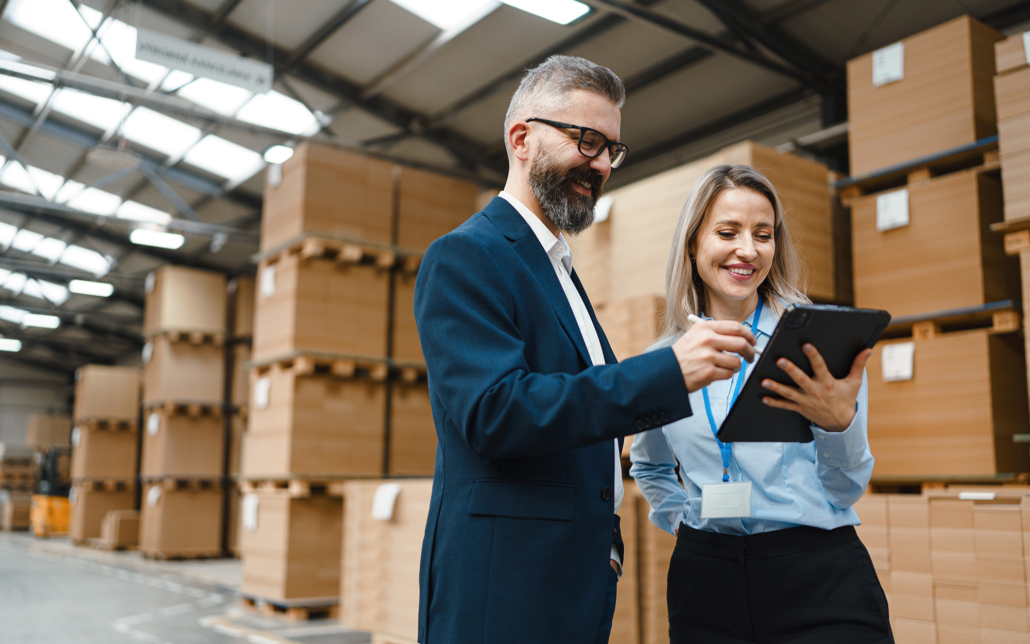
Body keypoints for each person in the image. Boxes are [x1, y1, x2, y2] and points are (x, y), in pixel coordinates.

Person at [413, 56, 761, 644]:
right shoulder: (467, 255)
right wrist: (666, 373)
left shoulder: (557, 268)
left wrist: (609, 546)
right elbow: (495, 413)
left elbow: (584, 421)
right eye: (586, 141)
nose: (600, 164)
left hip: (570, 579)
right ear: (521, 139)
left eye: (611, 150)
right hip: (504, 589)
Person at [630, 164, 893, 643]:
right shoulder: (663, 361)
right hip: (705, 582)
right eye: (727, 232)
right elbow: (649, 467)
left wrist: (839, 426)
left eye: (763, 235)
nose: (748, 250)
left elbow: (845, 490)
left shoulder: (817, 342)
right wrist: (685, 519)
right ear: (692, 244)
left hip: (817, 572)